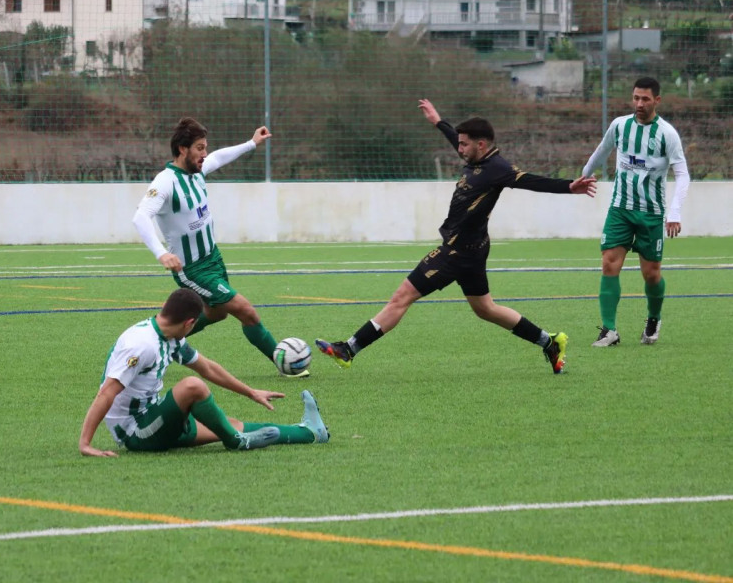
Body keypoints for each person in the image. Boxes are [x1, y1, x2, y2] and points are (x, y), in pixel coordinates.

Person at [316, 99, 598, 375]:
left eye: (465, 144)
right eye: (459, 142)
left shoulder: (498, 169)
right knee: (486, 309)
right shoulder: (476, 157)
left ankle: (349, 349)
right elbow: (456, 139)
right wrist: (439, 122)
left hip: (456, 252)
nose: (459, 148)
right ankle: (550, 342)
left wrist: (568, 187)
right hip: (472, 249)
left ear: (482, 144)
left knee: (401, 297)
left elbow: (530, 180)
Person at [133, 117, 301, 376]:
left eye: (205, 147)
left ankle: (163, 341)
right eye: (199, 148)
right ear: (182, 149)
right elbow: (141, 216)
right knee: (246, 311)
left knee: (217, 313)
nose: (204, 154)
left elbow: (219, 158)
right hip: (192, 268)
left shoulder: (197, 172)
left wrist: (251, 143)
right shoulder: (165, 182)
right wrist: (162, 253)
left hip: (213, 258)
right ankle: (284, 362)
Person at [78, 288, 329, 456]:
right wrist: (85, 444)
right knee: (192, 387)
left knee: (233, 425)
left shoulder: (168, 336)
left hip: (156, 418)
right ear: (189, 323)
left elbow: (206, 367)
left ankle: (311, 432)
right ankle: (235, 441)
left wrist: (250, 392)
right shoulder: (141, 344)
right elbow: (106, 393)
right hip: (136, 432)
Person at [582, 77, 690, 347]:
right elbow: (603, 150)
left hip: (651, 213)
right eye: (636, 98)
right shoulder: (620, 126)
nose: (639, 103)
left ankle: (654, 318)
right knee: (609, 263)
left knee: (651, 273)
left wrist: (674, 212)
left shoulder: (667, 134)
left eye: (645, 99)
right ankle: (609, 330)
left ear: (657, 100)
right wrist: (584, 175)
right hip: (620, 208)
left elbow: (683, 174)